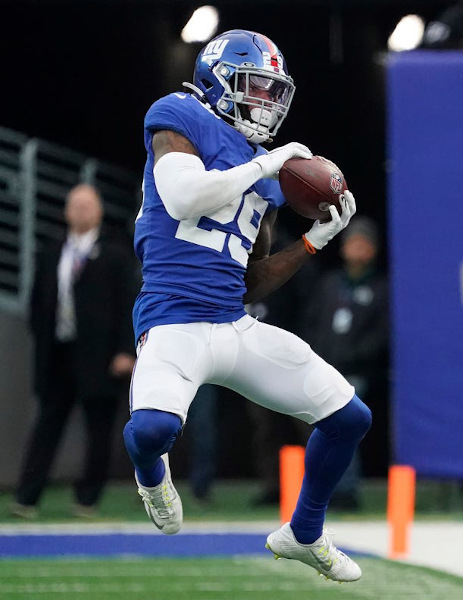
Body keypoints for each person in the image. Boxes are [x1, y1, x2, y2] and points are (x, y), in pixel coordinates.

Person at [125, 29, 370, 583]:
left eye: (273, 92)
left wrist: (313, 243)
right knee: (151, 431)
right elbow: (184, 196)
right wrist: (263, 168)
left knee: (349, 417)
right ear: (218, 78)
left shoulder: (267, 172)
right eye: (255, 87)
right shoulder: (180, 115)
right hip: (172, 320)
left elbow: (248, 281)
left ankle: (304, 532)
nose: (265, 103)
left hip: (230, 322)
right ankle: (149, 474)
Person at [9, 184, 138, 519]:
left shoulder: (115, 254)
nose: (81, 212)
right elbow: (38, 302)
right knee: (47, 425)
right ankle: (27, 496)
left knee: (98, 429)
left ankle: (88, 497)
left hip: (99, 356)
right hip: (59, 354)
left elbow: (128, 304)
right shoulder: (52, 252)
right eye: (75, 206)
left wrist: (126, 350)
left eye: (87, 206)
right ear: (66, 212)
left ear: (98, 211)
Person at [301, 216, 391, 508]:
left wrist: (354, 357)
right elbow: (313, 322)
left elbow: (381, 334)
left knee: (347, 422)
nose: (357, 249)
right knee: (322, 426)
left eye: (364, 244)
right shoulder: (329, 284)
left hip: (357, 372)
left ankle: (347, 490)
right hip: (325, 368)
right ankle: (325, 488)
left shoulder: (380, 289)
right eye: (353, 242)